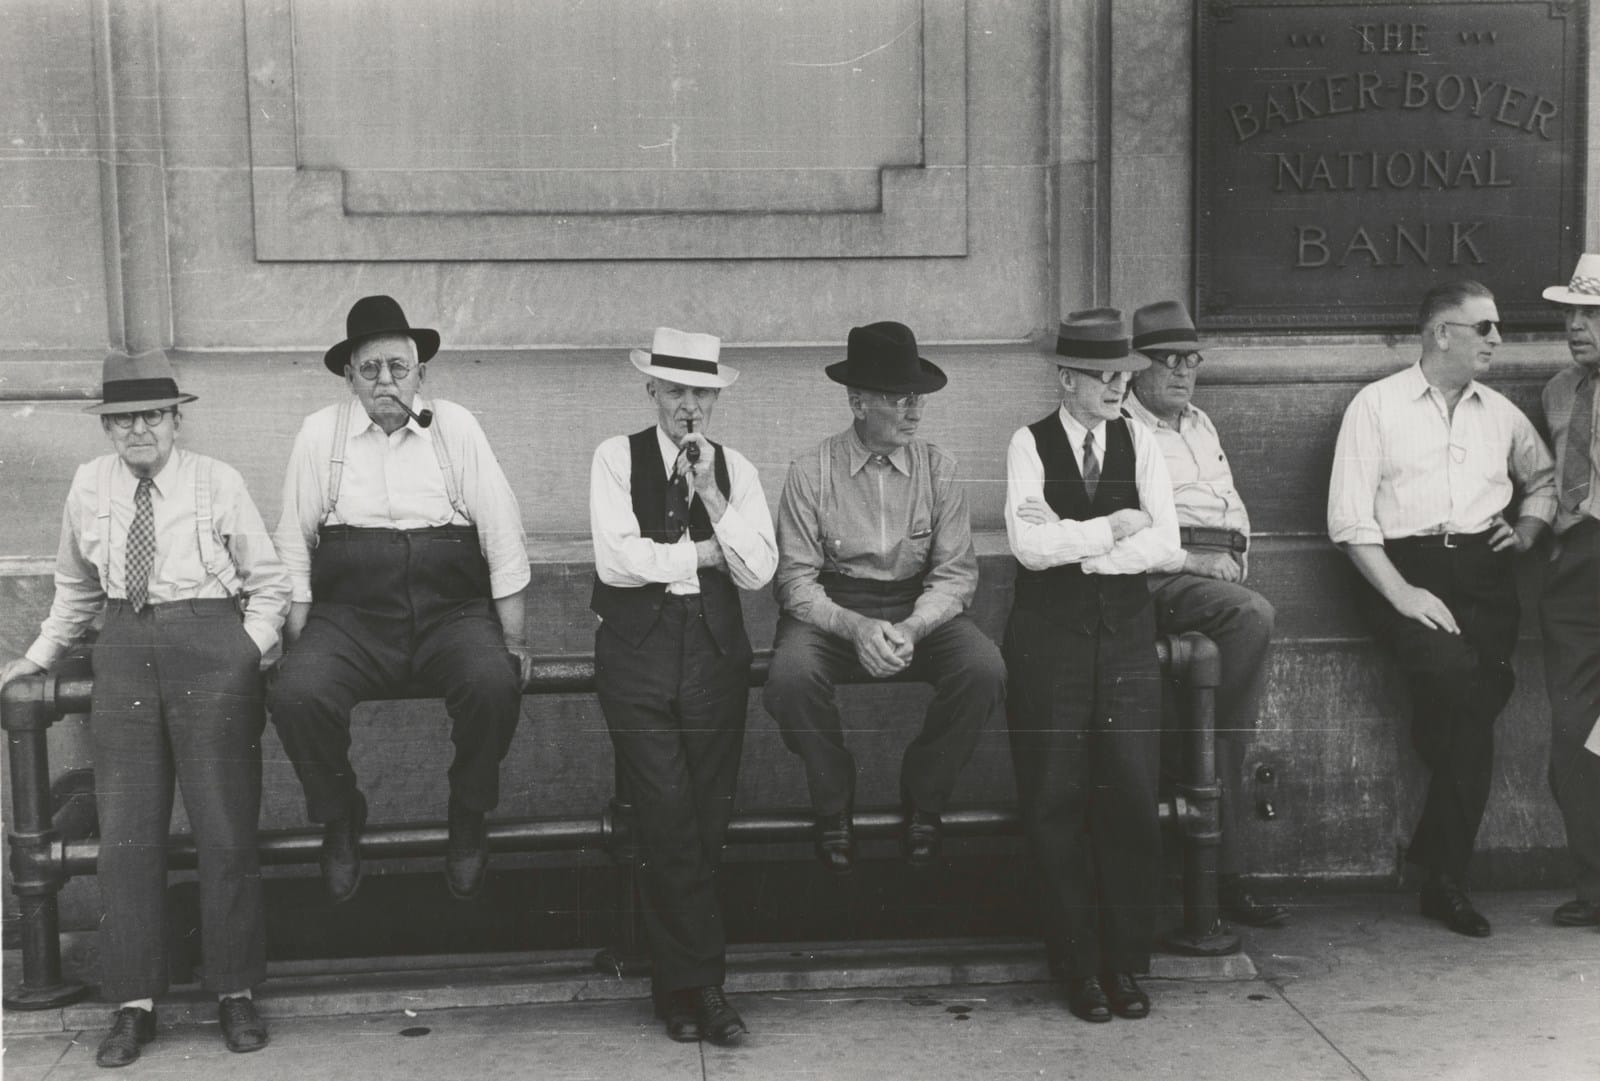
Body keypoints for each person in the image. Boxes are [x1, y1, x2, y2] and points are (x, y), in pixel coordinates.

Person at [0, 350, 288, 1066]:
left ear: (175, 419)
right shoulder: (88, 484)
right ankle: (134, 1003)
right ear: (106, 426)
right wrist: (35, 657)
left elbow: (270, 581)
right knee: (127, 830)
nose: (138, 431)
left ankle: (235, 990)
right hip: (124, 646)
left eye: (152, 416)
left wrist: (240, 652)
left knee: (224, 822)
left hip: (209, 638)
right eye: (122, 419)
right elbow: (75, 589)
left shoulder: (216, 480)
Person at [270, 295, 534, 904]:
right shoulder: (319, 434)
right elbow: (292, 541)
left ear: (421, 374)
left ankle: (468, 815)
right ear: (349, 377)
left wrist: (514, 637)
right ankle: (340, 818)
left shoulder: (458, 427)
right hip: (352, 616)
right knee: (296, 693)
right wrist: (296, 641)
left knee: (495, 684)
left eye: (398, 367)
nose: (385, 381)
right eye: (370, 369)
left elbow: (501, 530)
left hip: (451, 610)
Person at [1328, 280, 1555, 938]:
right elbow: (1348, 520)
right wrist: (1403, 593)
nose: (1497, 340)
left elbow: (1541, 480)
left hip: (1485, 574)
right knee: (1468, 691)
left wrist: (1531, 530)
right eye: (1483, 328)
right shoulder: (1376, 407)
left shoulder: (1503, 414)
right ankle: (1443, 871)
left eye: (1497, 327)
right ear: (1440, 335)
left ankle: (1442, 875)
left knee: (1470, 709)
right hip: (1404, 570)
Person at [589, 327, 777, 1044]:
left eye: (701, 392)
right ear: (652, 393)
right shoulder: (615, 457)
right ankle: (708, 988)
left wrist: (713, 498)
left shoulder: (737, 470)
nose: (688, 405)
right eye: (675, 391)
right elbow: (615, 560)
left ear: (715, 398)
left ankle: (677, 989)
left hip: (713, 653)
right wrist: (702, 553)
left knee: (703, 818)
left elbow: (758, 569)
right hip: (635, 654)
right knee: (666, 813)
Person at [765, 321, 1006, 876]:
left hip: (917, 607)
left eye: (918, 397)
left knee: (984, 668)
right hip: (833, 607)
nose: (914, 411)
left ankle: (926, 797)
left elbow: (955, 576)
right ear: (857, 401)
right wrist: (856, 628)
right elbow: (795, 583)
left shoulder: (940, 470)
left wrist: (914, 627)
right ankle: (833, 805)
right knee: (790, 678)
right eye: (899, 398)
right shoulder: (809, 472)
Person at [1004, 308, 1180, 1024]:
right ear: (1066, 378)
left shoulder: (1142, 439)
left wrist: (1080, 542)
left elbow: (1165, 544)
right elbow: (1028, 545)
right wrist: (1113, 527)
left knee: (1132, 796)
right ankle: (1078, 966)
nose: (1117, 386)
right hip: (1049, 642)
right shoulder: (1028, 442)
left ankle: (1125, 963)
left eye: (1124, 374)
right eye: (1103, 375)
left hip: (1128, 640)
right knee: (1054, 800)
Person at [1124, 299, 1286, 928]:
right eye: (1166, 359)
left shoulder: (1199, 423)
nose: (1182, 371)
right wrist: (1196, 560)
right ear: (1135, 367)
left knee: (1217, 738)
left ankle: (1216, 876)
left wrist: (1232, 556)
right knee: (1252, 623)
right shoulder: (1124, 430)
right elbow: (1134, 530)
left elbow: (1228, 506)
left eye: (1190, 359)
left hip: (1219, 579)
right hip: (1166, 578)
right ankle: (1217, 878)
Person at [1538, 254, 1600, 929]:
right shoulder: (1559, 391)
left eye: (1592, 314)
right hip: (1577, 569)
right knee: (1574, 732)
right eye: (1572, 312)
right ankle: (1596, 886)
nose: (1575, 326)